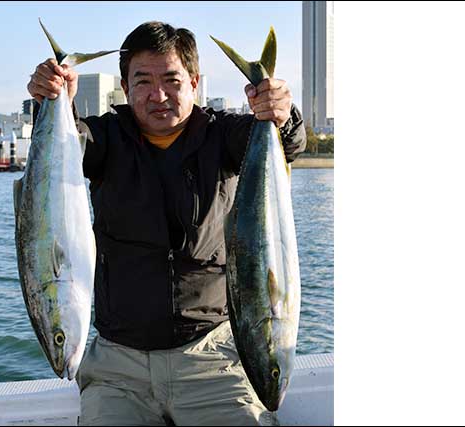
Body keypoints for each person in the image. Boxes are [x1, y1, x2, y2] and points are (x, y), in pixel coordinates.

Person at [27, 21, 306, 426]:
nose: (158, 95)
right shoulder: (105, 138)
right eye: (142, 82)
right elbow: (65, 148)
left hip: (215, 358)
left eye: (172, 80)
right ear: (125, 87)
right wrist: (54, 101)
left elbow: (288, 144)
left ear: (194, 81)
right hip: (117, 370)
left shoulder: (222, 134)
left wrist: (282, 115)